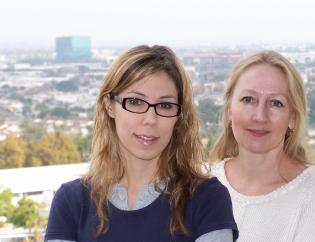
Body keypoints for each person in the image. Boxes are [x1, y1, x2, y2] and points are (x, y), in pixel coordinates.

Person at [45, 45, 238, 242]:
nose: (150, 119)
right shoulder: (72, 202)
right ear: (110, 106)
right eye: (136, 102)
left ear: (179, 116)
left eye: (165, 105)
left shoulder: (206, 199)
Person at [211, 50, 315, 242]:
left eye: (276, 103)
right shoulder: (198, 182)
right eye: (248, 100)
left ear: (293, 118)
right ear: (230, 109)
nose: (260, 116)